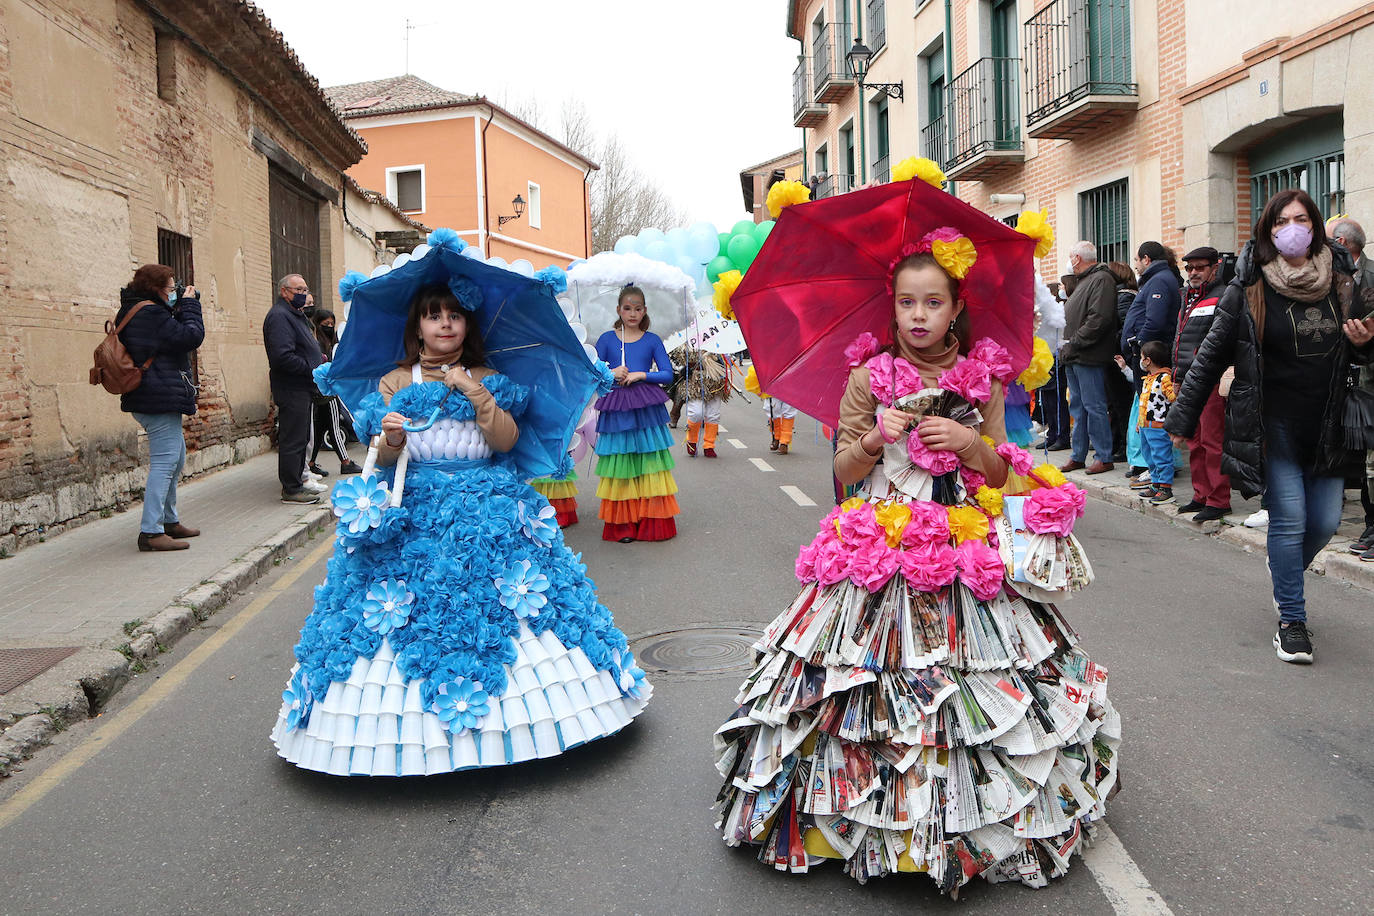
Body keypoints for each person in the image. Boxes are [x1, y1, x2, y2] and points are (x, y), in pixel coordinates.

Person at [712, 230, 1119, 894]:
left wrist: (967, 441)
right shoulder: (866, 378)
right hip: (878, 541)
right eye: (908, 304)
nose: (920, 316)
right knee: (862, 687)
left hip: (962, 543)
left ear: (956, 307)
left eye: (934, 303)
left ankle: (966, 822)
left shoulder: (982, 377)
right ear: (893, 309)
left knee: (968, 683)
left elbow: (996, 469)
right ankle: (861, 821)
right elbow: (843, 471)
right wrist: (876, 435)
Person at [271, 283, 651, 775]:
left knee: (517, 607)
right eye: (433, 315)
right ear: (418, 327)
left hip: (489, 507)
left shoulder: (491, 377)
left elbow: (507, 440)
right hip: (414, 514)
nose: (445, 323)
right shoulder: (394, 381)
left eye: (454, 315)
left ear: (468, 325)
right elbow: (384, 458)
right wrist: (389, 437)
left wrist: (476, 393)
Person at [1166, 189, 1374, 664]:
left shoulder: (1343, 281)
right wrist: (1181, 418)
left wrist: (1364, 345)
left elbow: (1360, 347)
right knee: (1291, 518)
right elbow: (1211, 355)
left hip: (1328, 421)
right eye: (1282, 221)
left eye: (1301, 219)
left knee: (1323, 523)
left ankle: (1285, 574)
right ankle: (1292, 622)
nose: (1292, 228)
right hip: (1273, 421)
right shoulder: (1250, 288)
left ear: (1316, 226)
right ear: (1268, 230)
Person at [116, 264, 205, 552]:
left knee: (176, 458)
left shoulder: (144, 311)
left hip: (154, 393)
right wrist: (190, 306)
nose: (173, 293)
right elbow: (190, 338)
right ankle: (151, 532)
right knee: (165, 463)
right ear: (156, 289)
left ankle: (169, 521)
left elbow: (168, 338)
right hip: (156, 396)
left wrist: (177, 309)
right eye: (170, 288)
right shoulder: (150, 313)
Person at [592, 286, 679, 542]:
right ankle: (624, 525)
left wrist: (642, 374)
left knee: (649, 463)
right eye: (627, 308)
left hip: (646, 406)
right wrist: (611, 372)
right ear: (619, 310)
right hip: (617, 406)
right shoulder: (607, 339)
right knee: (622, 464)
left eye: (638, 308)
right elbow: (593, 372)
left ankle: (650, 521)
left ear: (645, 310)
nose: (632, 313)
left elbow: (667, 374)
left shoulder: (652, 340)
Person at [1172, 247, 1231, 521]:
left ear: (1214, 268)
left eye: (1200, 267)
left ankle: (1219, 500)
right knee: (1193, 440)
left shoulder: (1224, 295)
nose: (1194, 272)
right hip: (1187, 379)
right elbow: (1180, 338)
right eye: (1190, 268)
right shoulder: (1187, 297)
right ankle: (1201, 494)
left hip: (1209, 379)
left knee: (1211, 440)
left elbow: (1221, 341)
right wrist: (1176, 376)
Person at [1328, 218, 1374, 558]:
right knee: (1360, 460)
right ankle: (1370, 524)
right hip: (1341, 379)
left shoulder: (1371, 277)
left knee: (1372, 459)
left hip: (1369, 381)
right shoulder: (1328, 278)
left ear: (1343, 242)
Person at [1120, 241, 1183, 485]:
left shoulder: (1158, 281)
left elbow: (1154, 321)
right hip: (1147, 355)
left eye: (1136, 260)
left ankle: (1155, 469)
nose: (1135, 265)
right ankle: (1159, 466)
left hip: (1149, 355)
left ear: (1146, 259)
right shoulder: (1158, 279)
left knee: (1150, 414)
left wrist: (1137, 344)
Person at [264, 274, 323, 504]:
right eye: (298, 289)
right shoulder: (279, 317)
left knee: (301, 438)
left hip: (302, 387)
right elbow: (282, 356)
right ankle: (291, 488)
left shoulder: (294, 314)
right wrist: (312, 368)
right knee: (293, 439)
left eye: (305, 289)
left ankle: (298, 482)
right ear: (284, 292)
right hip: (291, 387)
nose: (303, 294)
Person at [1059, 241, 1118, 473]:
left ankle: (1104, 456)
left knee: (1094, 406)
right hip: (1074, 354)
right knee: (1078, 407)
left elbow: (1098, 319)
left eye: (1070, 257)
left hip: (1087, 354)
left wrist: (1074, 343)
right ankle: (1078, 454)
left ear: (1077, 258)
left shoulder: (1101, 279)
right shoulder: (1086, 280)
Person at [308, 307, 363, 478]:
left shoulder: (332, 343)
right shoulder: (318, 344)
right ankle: (345, 462)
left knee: (319, 429)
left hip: (324, 391)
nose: (330, 327)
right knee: (333, 425)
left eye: (332, 323)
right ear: (318, 325)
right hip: (327, 392)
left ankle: (310, 462)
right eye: (326, 324)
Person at [1135, 341, 1177, 505]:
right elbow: (1144, 403)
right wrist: (1140, 422)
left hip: (1159, 426)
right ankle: (1156, 484)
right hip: (1146, 426)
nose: (1140, 360)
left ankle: (1166, 488)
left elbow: (1173, 399)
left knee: (1161, 456)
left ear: (1148, 361)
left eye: (1141, 357)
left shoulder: (1164, 378)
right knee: (1149, 456)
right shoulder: (1148, 378)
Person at [1105, 261, 1139, 467]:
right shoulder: (1125, 295)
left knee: (1120, 404)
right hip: (1119, 356)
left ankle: (1122, 447)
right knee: (1117, 404)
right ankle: (1119, 445)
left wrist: (1113, 344)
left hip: (1118, 358)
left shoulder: (1122, 297)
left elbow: (1126, 327)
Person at [679, 345, 732, 457]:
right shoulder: (688, 339)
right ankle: (692, 440)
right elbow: (680, 356)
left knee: (713, 414)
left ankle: (709, 445)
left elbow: (725, 357)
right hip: (695, 381)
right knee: (697, 413)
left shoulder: (718, 336)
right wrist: (685, 368)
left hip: (715, 380)